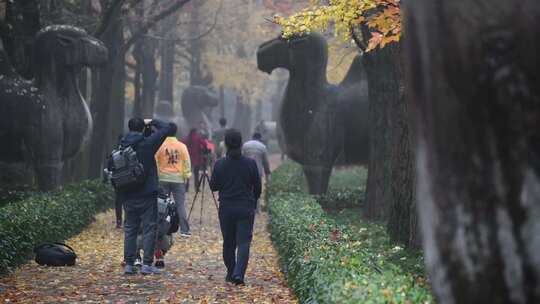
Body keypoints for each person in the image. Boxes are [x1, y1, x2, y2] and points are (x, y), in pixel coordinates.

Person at [210, 129, 261, 286]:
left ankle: (231, 271)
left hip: (226, 208)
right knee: (244, 242)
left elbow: (213, 186)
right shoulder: (250, 163)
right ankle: (239, 274)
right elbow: (257, 187)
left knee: (229, 242)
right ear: (241, 143)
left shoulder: (219, 164)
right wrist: (253, 200)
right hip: (245, 207)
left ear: (225, 144)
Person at [120, 118, 171, 275]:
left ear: (129, 128)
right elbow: (167, 127)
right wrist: (152, 121)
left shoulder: (122, 145)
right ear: (143, 129)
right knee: (149, 228)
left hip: (127, 194)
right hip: (147, 194)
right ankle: (147, 264)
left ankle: (129, 264)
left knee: (130, 229)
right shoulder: (148, 143)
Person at [155, 123, 192, 238]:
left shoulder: (160, 145)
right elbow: (187, 162)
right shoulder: (182, 146)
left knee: (161, 205)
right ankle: (184, 230)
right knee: (180, 205)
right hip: (178, 179)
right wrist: (186, 175)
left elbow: (155, 161)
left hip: (163, 178)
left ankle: (161, 227)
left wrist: (157, 175)